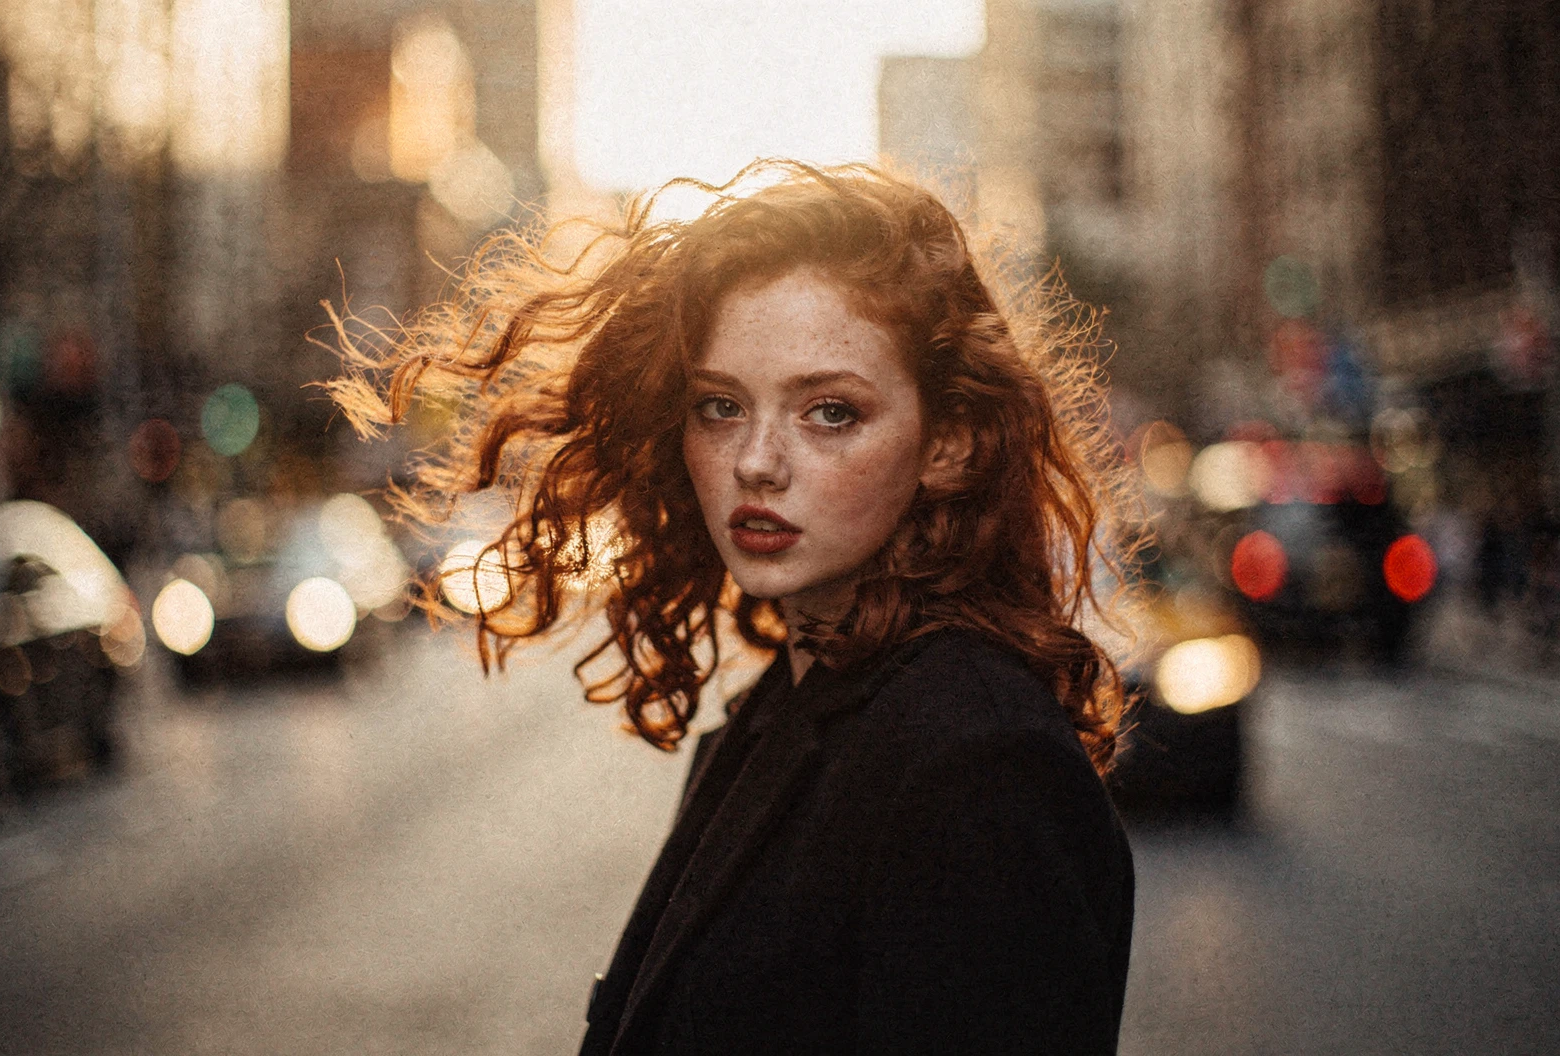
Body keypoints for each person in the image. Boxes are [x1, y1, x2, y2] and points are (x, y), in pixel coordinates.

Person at [330, 161, 1138, 1055]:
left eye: (830, 412)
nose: (756, 461)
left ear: (948, 441)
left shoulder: (977, 761)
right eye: (720, 407)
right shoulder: (789, 704)